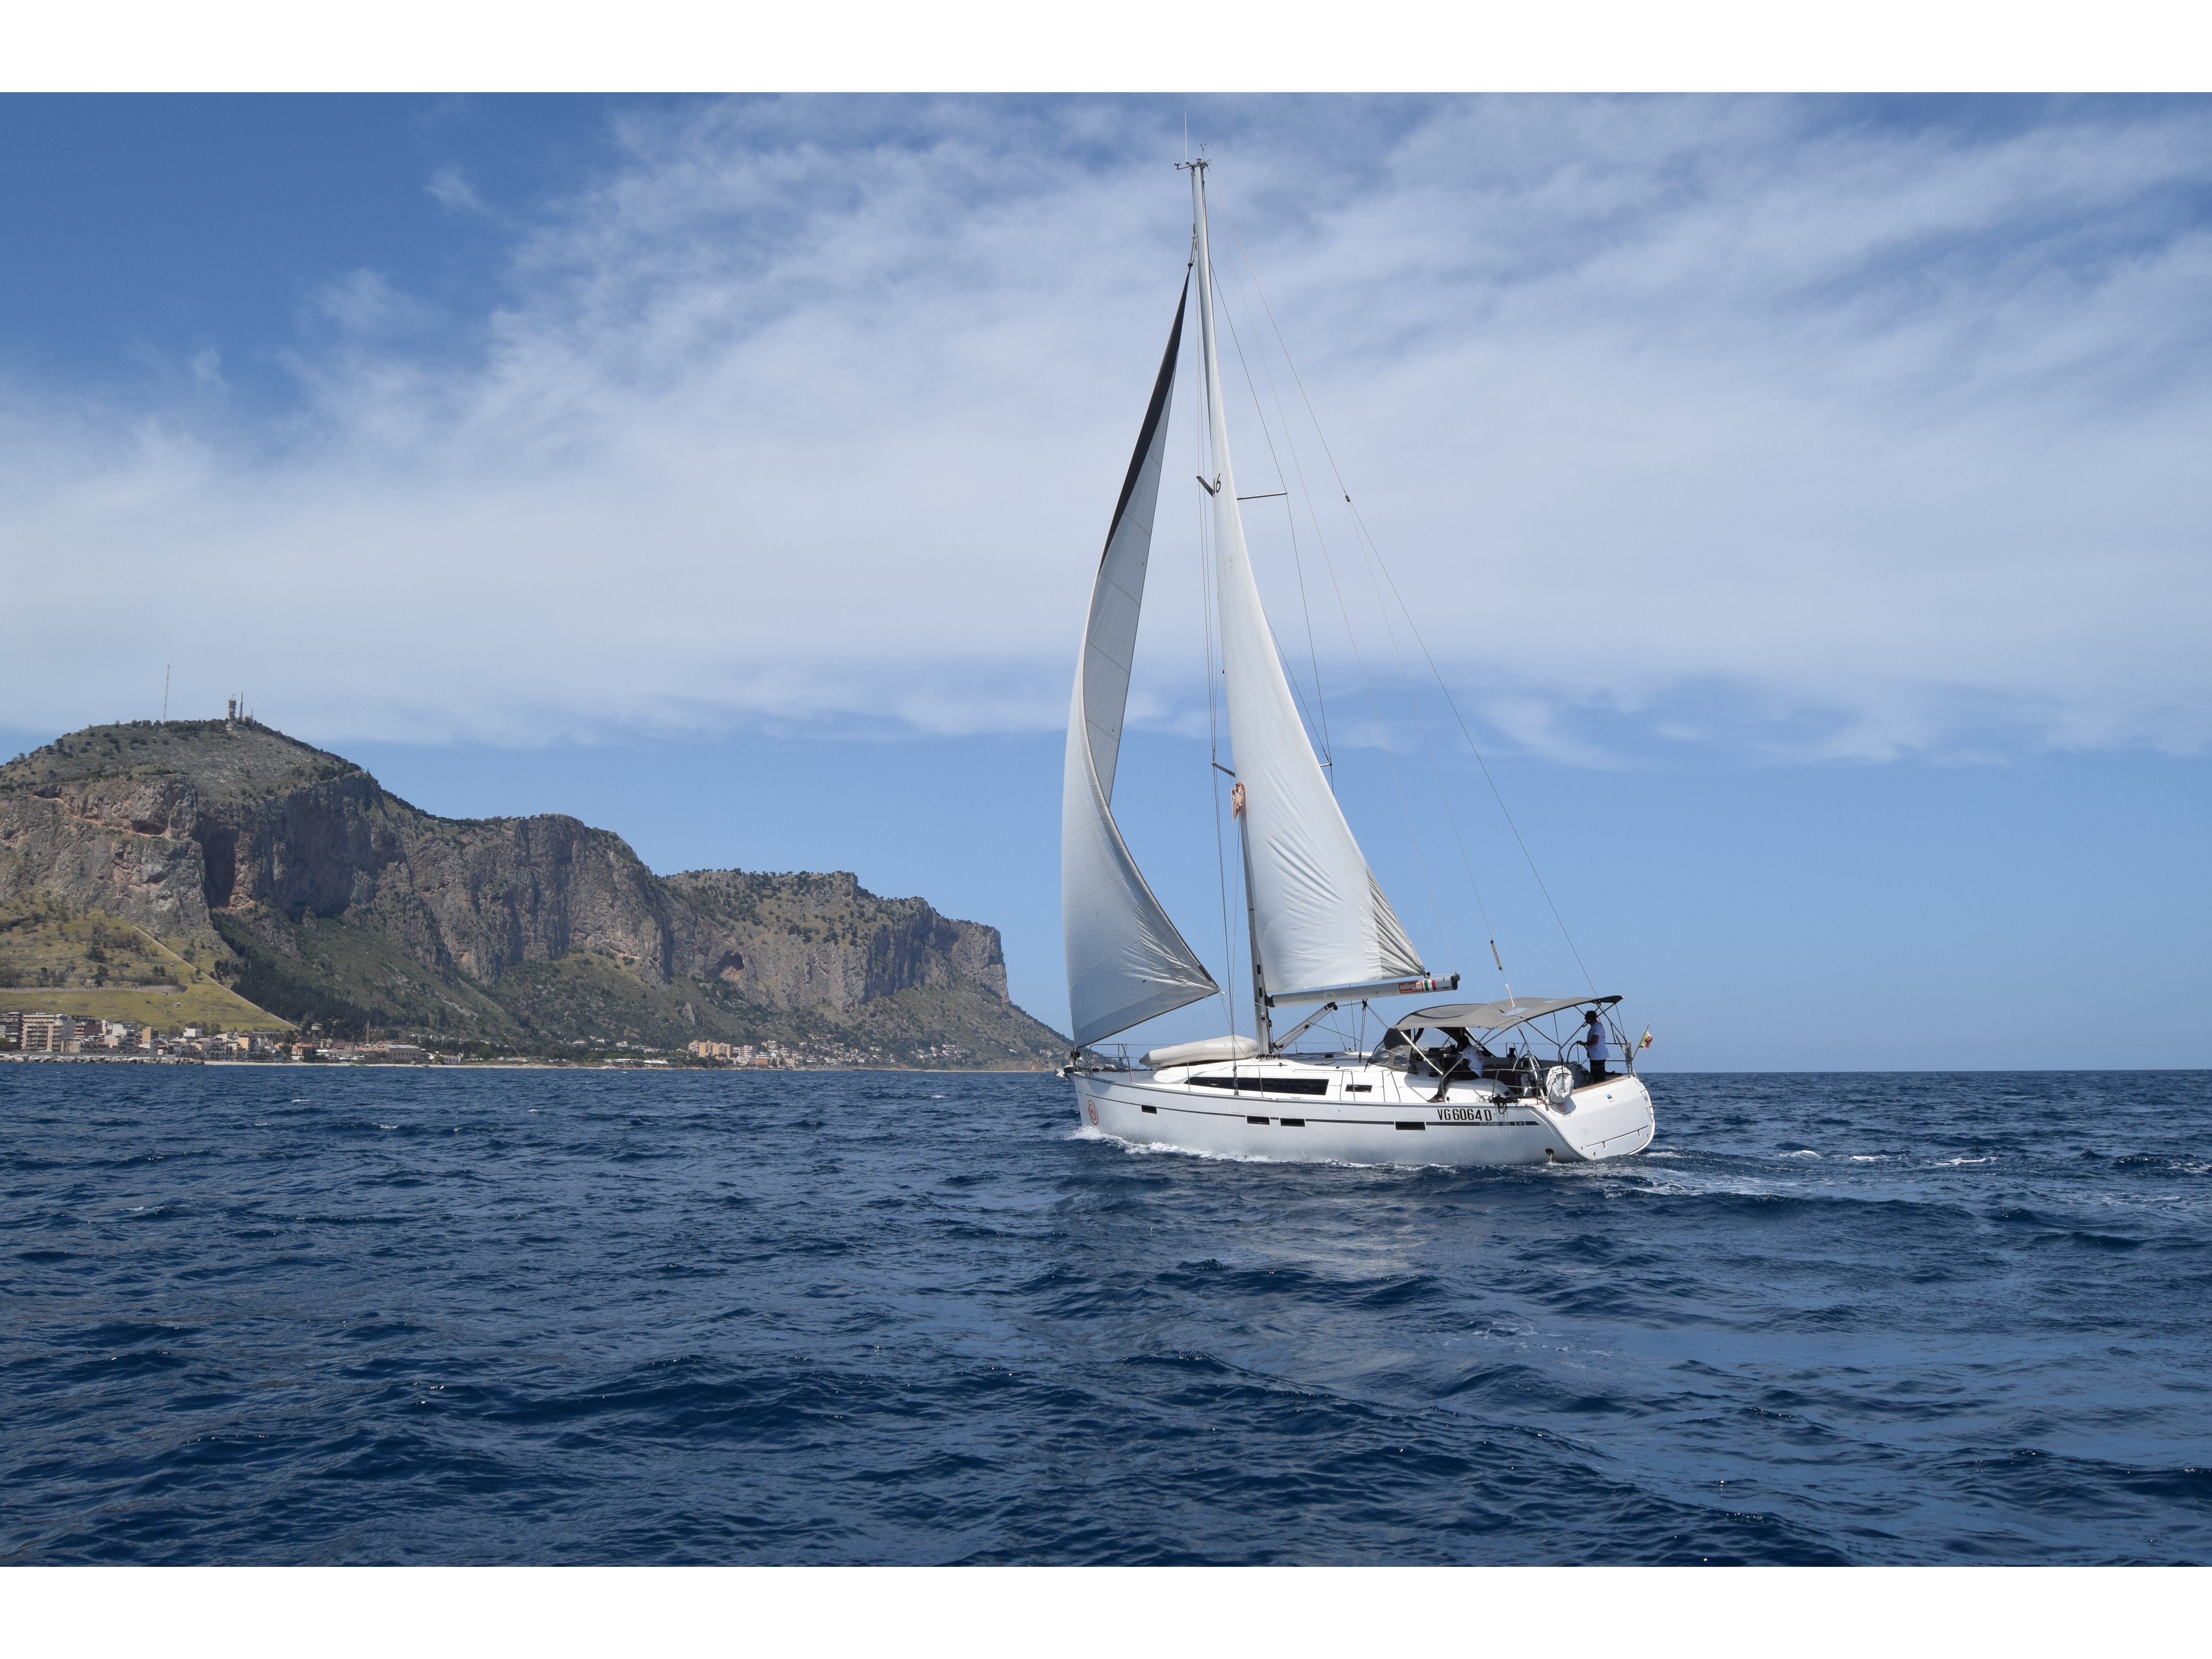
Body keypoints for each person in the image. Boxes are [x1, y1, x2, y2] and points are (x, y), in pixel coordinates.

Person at [1580, 1009, 1610, 1078]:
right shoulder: (1595, 1026)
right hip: (1596, 1056)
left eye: (1587, 1017)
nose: (1585, 1018)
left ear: (1591, 1018)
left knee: (1598, 1077)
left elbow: (1595, 1041)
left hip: (1598, 1056)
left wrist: (1583, 1044)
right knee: (1596, 1075)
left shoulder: (1596, 1027)